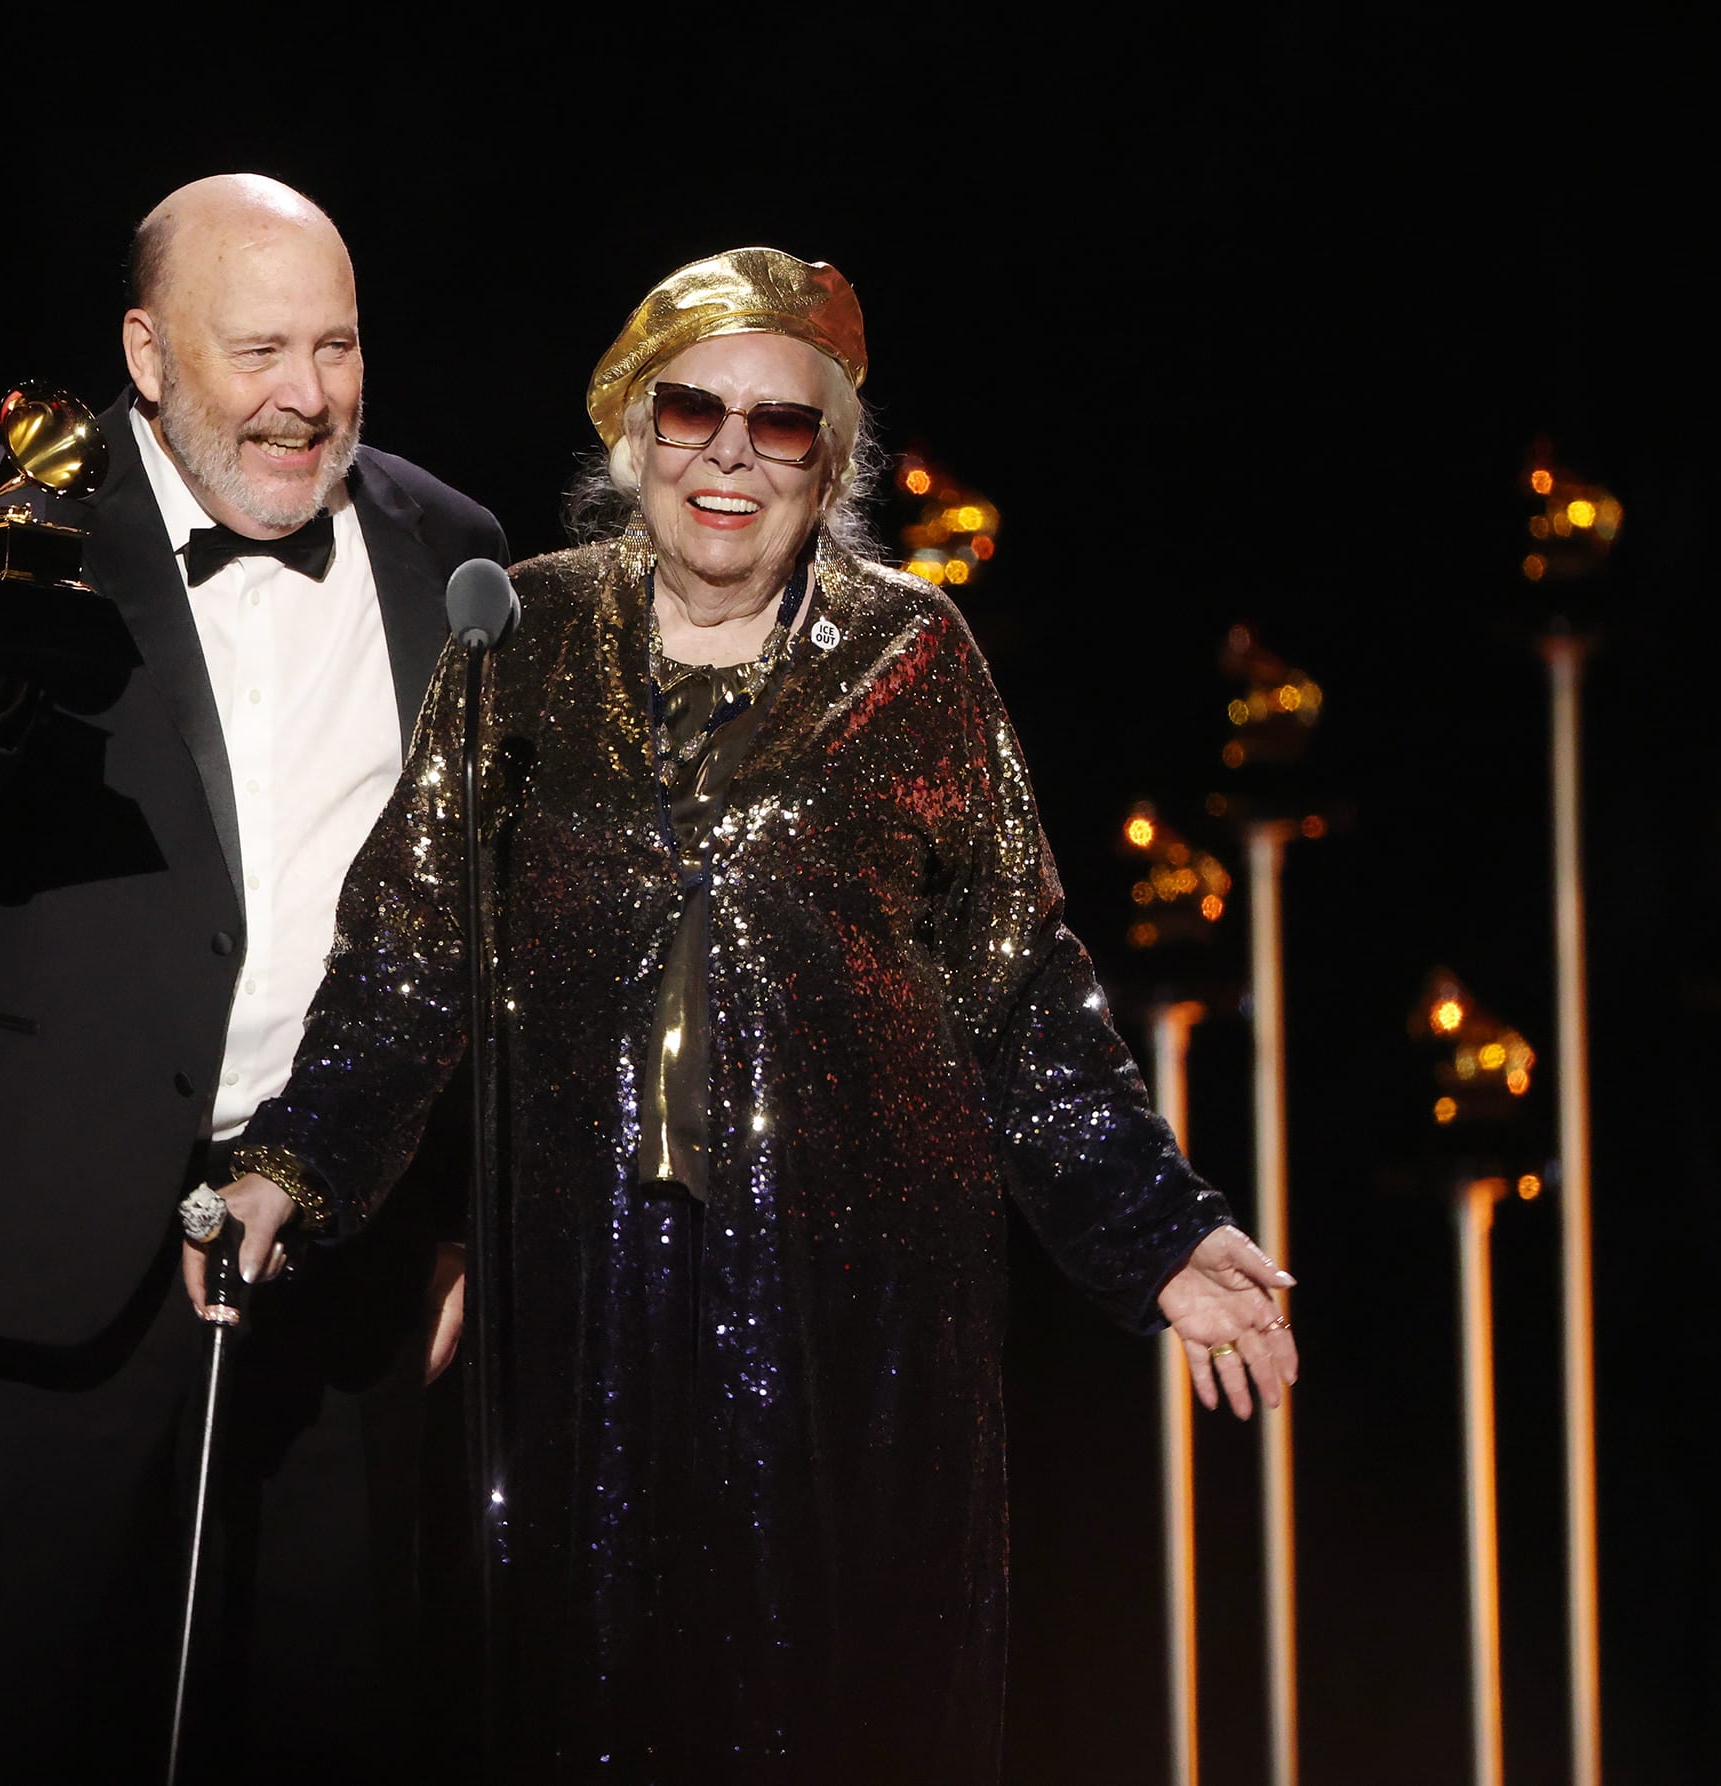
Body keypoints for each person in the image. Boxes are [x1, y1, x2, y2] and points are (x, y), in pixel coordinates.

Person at [204, 248, 1304, 1783]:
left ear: (832, 465)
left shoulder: (919, 662)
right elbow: (406, 958)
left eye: (780, 426)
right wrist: (291, 1165)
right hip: (584, 1317)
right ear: (630, 436)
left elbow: (1026, 994)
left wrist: (1158, 1232)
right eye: (691, 410)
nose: (728, 452)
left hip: (859, 1327)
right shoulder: (514, 643)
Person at [0, 173, 504, 1782]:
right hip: (24, 1268)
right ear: (144, 349)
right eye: (259, 347)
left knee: (331, 1721)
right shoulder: (3, 515)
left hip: (335, 1258)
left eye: (336, 347)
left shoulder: (449, 549)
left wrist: (451, 1198)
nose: (306, 395)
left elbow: (466, 916)